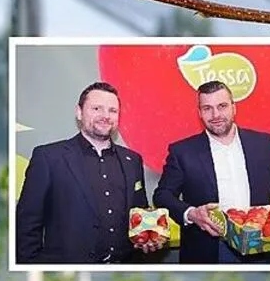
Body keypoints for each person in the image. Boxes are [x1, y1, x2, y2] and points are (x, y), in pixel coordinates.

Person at [153, 80, 270, 264]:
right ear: (199, 113)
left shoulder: (262, 143)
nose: (216, 114)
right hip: (209, 250)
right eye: (207, 108)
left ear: (234, 107)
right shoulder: (182, 151)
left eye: (222, 106)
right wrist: (191, 213)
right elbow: (162, 195)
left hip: (261, 246)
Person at [15, 82, 161, 264]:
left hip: (123, 272)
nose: (105, 116)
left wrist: (147, 238)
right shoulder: (49, 157)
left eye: (112, 110)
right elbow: (27, 221)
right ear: (79, 112)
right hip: (68, 274)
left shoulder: (132, 160)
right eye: (97, 108)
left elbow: (139, 211)